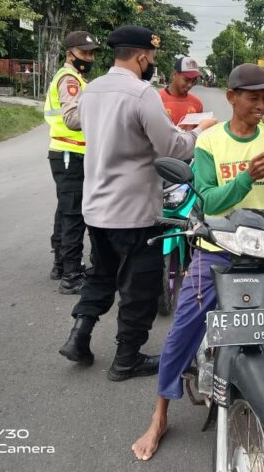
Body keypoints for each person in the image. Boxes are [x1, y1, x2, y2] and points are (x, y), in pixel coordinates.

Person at [131, 63, 264, 461]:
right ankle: (159, 416)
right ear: (231, 98)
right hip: (217, 250)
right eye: (253, 97)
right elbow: (207, 200)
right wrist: (245, 178)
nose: (261, 105)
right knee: (182, 333)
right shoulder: (209, 143)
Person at [58, 25, 217, 382]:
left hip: (96, 208)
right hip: (133, 212)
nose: (151, 64)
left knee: (101, 274)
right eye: (152, 59)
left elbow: (77, 120)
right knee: (139, 288)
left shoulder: (93, 88)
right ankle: (126, 359)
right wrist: (199, 131)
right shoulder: (142, 93)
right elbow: (173, 148)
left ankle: (79, 336)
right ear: (142, 56)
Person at [43, 30, 99, 294]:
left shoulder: (76, 78)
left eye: (90, 53)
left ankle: (60, 265)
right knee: (74, 213)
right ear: (70, 53)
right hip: (70, 153)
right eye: (84, 53)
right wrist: (101, 118)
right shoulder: (69, 79)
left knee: (65, 210)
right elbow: (73, 119)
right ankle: (72, 276)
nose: (88, 58)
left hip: (68, 152)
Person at [159, 56, 204, 127]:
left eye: (193, 81)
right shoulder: (157, 99)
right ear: (174, 74)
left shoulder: (197, 104)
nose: (190, 85)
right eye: (186, 80)